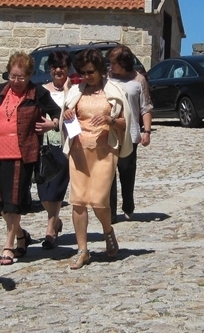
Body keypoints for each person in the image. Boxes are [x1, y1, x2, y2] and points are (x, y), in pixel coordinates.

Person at [0, 53, 61, 266]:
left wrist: (51, 125)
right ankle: (22, 235)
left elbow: (57, 113)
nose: (16, 81)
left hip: (23, 153)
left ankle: (8, 246)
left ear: (30, 75)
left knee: (14, 202)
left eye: (21, 77)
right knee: (2, 204)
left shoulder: (38, 93)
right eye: (12, 76)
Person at [62, 49, 132, 270]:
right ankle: (83, 250)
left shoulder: (114, 91)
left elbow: (126, 123)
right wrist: (66, 115)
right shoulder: (75, 92)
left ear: (100, 69)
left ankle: (108, 231)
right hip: (79, 150)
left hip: (105, 151)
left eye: (90, 71)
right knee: (78, 201)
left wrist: (110, 120)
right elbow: (65, 119)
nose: (86, 76)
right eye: (82, 72)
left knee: (99, 201)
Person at [108, 45, 153, 222]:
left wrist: (146, 131)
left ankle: (128, 205)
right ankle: (110, 212)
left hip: (130, 132)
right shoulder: (107, 78)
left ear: (124, 63)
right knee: (108, 173)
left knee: (127, 170)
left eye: (114, 63)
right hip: (109, 132)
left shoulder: (139, 80)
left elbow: (145, 107)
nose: (111, 66)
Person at [37, 51, 72, 248]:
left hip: (64, 144)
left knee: (56, 190)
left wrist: (67, 90)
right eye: (54, 67)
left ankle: (50, 231)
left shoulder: (74, 90)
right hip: (44, 145)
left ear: (68, 68)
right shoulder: (42, 91)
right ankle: (56, 221)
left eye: (62, 67)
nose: (58, 70)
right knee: (43, 193)